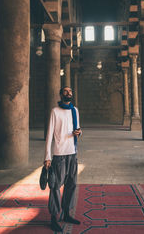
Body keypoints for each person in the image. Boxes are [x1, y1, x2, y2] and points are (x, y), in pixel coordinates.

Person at [44, 86, 82, 232]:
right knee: (55, 186)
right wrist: (47, 157)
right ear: (61, 95)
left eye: (71, 91)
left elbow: (78, 128)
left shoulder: (75, 110)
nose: (69, 93)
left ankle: (66, 214)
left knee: (71, 184)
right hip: (59, 154)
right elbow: (49, 135)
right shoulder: (55, 111)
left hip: (72, 152)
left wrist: (79, 132)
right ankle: (54, 218)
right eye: (65, 91)